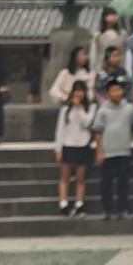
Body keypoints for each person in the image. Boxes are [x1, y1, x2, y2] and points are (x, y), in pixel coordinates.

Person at [52, 79, 100, 218]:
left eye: (81, 91)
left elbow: (87, 123)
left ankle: (79, 204)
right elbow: (60, 130)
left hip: (83, 145)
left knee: (80, 177)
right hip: (68, 145)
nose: (79, 93)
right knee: (65, 176)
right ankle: (63, 203)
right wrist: (58, 148)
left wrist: (79, 109)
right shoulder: (65, 109)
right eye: (76, 90)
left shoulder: (91, 108)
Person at [97, 80, 133, 219]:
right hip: (107, 151)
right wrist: (99, 151)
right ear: (108, 93)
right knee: (106, 182)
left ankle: (123, 208)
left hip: (124, 150)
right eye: (113, 90)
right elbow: (98, 131)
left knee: (123, 181)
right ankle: (107, 209)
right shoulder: (103, 110)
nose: (117, 93)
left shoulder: (130, 109)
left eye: (119, 90)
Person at [88, 8, 126, 76]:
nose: (114, 17)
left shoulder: (123, 34)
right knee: (104, 82)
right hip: (102, 68)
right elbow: (94, 55)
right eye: (111, 15)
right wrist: (95, 71)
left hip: (119, 68)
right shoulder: (98, 36)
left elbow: (125, 53)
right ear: (104, 17)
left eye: (115, 15)